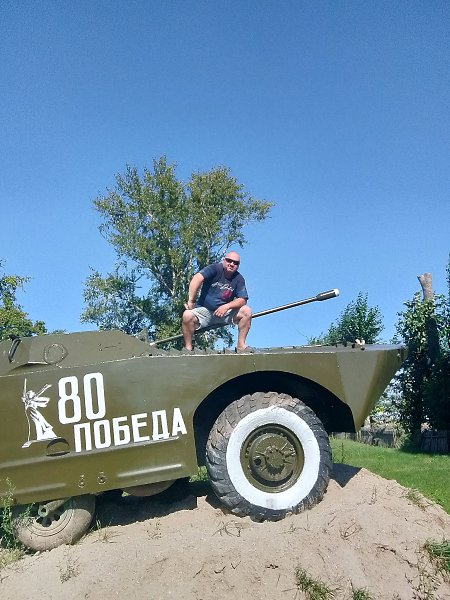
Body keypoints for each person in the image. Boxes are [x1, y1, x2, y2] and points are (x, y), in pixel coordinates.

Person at [182, 251, 253, 352]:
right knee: (187, 315)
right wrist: (191, 301)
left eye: (235, 263)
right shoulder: (215, 268)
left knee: (247, 311)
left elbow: (243, 300)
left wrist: (226, 307)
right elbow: (197, 278)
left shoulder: (239, 279)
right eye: (229, 260)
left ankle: (241, 345)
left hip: (224, 314)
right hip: (204, 312)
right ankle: (188, 348)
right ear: (224, 260)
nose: (232, 264)